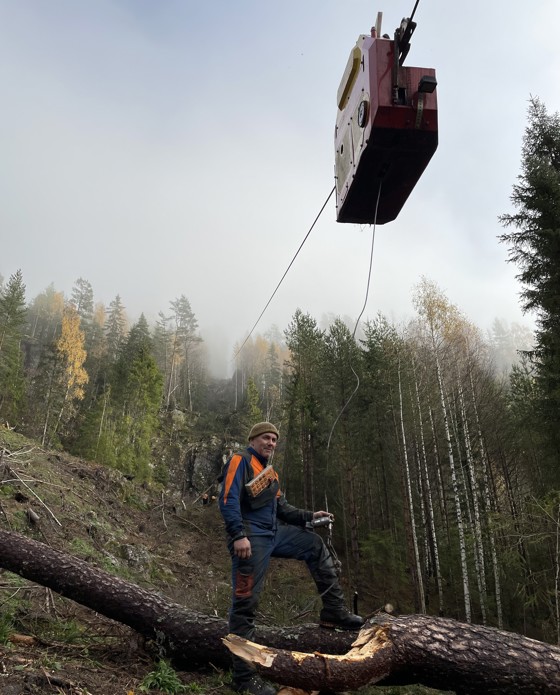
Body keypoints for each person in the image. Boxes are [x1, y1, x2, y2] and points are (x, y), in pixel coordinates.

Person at [219, 421, 363, 695]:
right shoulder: (240, 460)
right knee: (245, 604)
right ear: (253, 439)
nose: (271, 443)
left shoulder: (271, 474)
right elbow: (227, 499)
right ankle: (243, 679)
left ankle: (334, 611)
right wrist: (238, 534)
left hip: (275, 533)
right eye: (266, 438)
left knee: (314, 545)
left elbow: (283, 509)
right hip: (251, 538)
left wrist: (311, 516)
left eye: (274, 439)